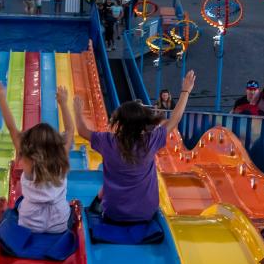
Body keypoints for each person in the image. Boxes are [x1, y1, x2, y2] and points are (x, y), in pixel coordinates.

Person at [75, 71, 196, 222]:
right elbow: (175, 119)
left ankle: (98, 203)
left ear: (119, 123)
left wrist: (77, 112)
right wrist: (185, 91)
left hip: (114, 213)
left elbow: (81, 130)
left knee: (110, 180)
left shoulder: (107, 141)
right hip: (146, 213)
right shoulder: (150, 140)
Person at [0, 83, 73, 233]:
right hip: (59, 224)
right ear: (56, 144)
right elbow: (70, 129)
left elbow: (12, 128)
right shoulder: (61, 155)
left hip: (30, 224)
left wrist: (1, 99)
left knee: (17, 206)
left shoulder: (27, 157)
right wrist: (63, 103)